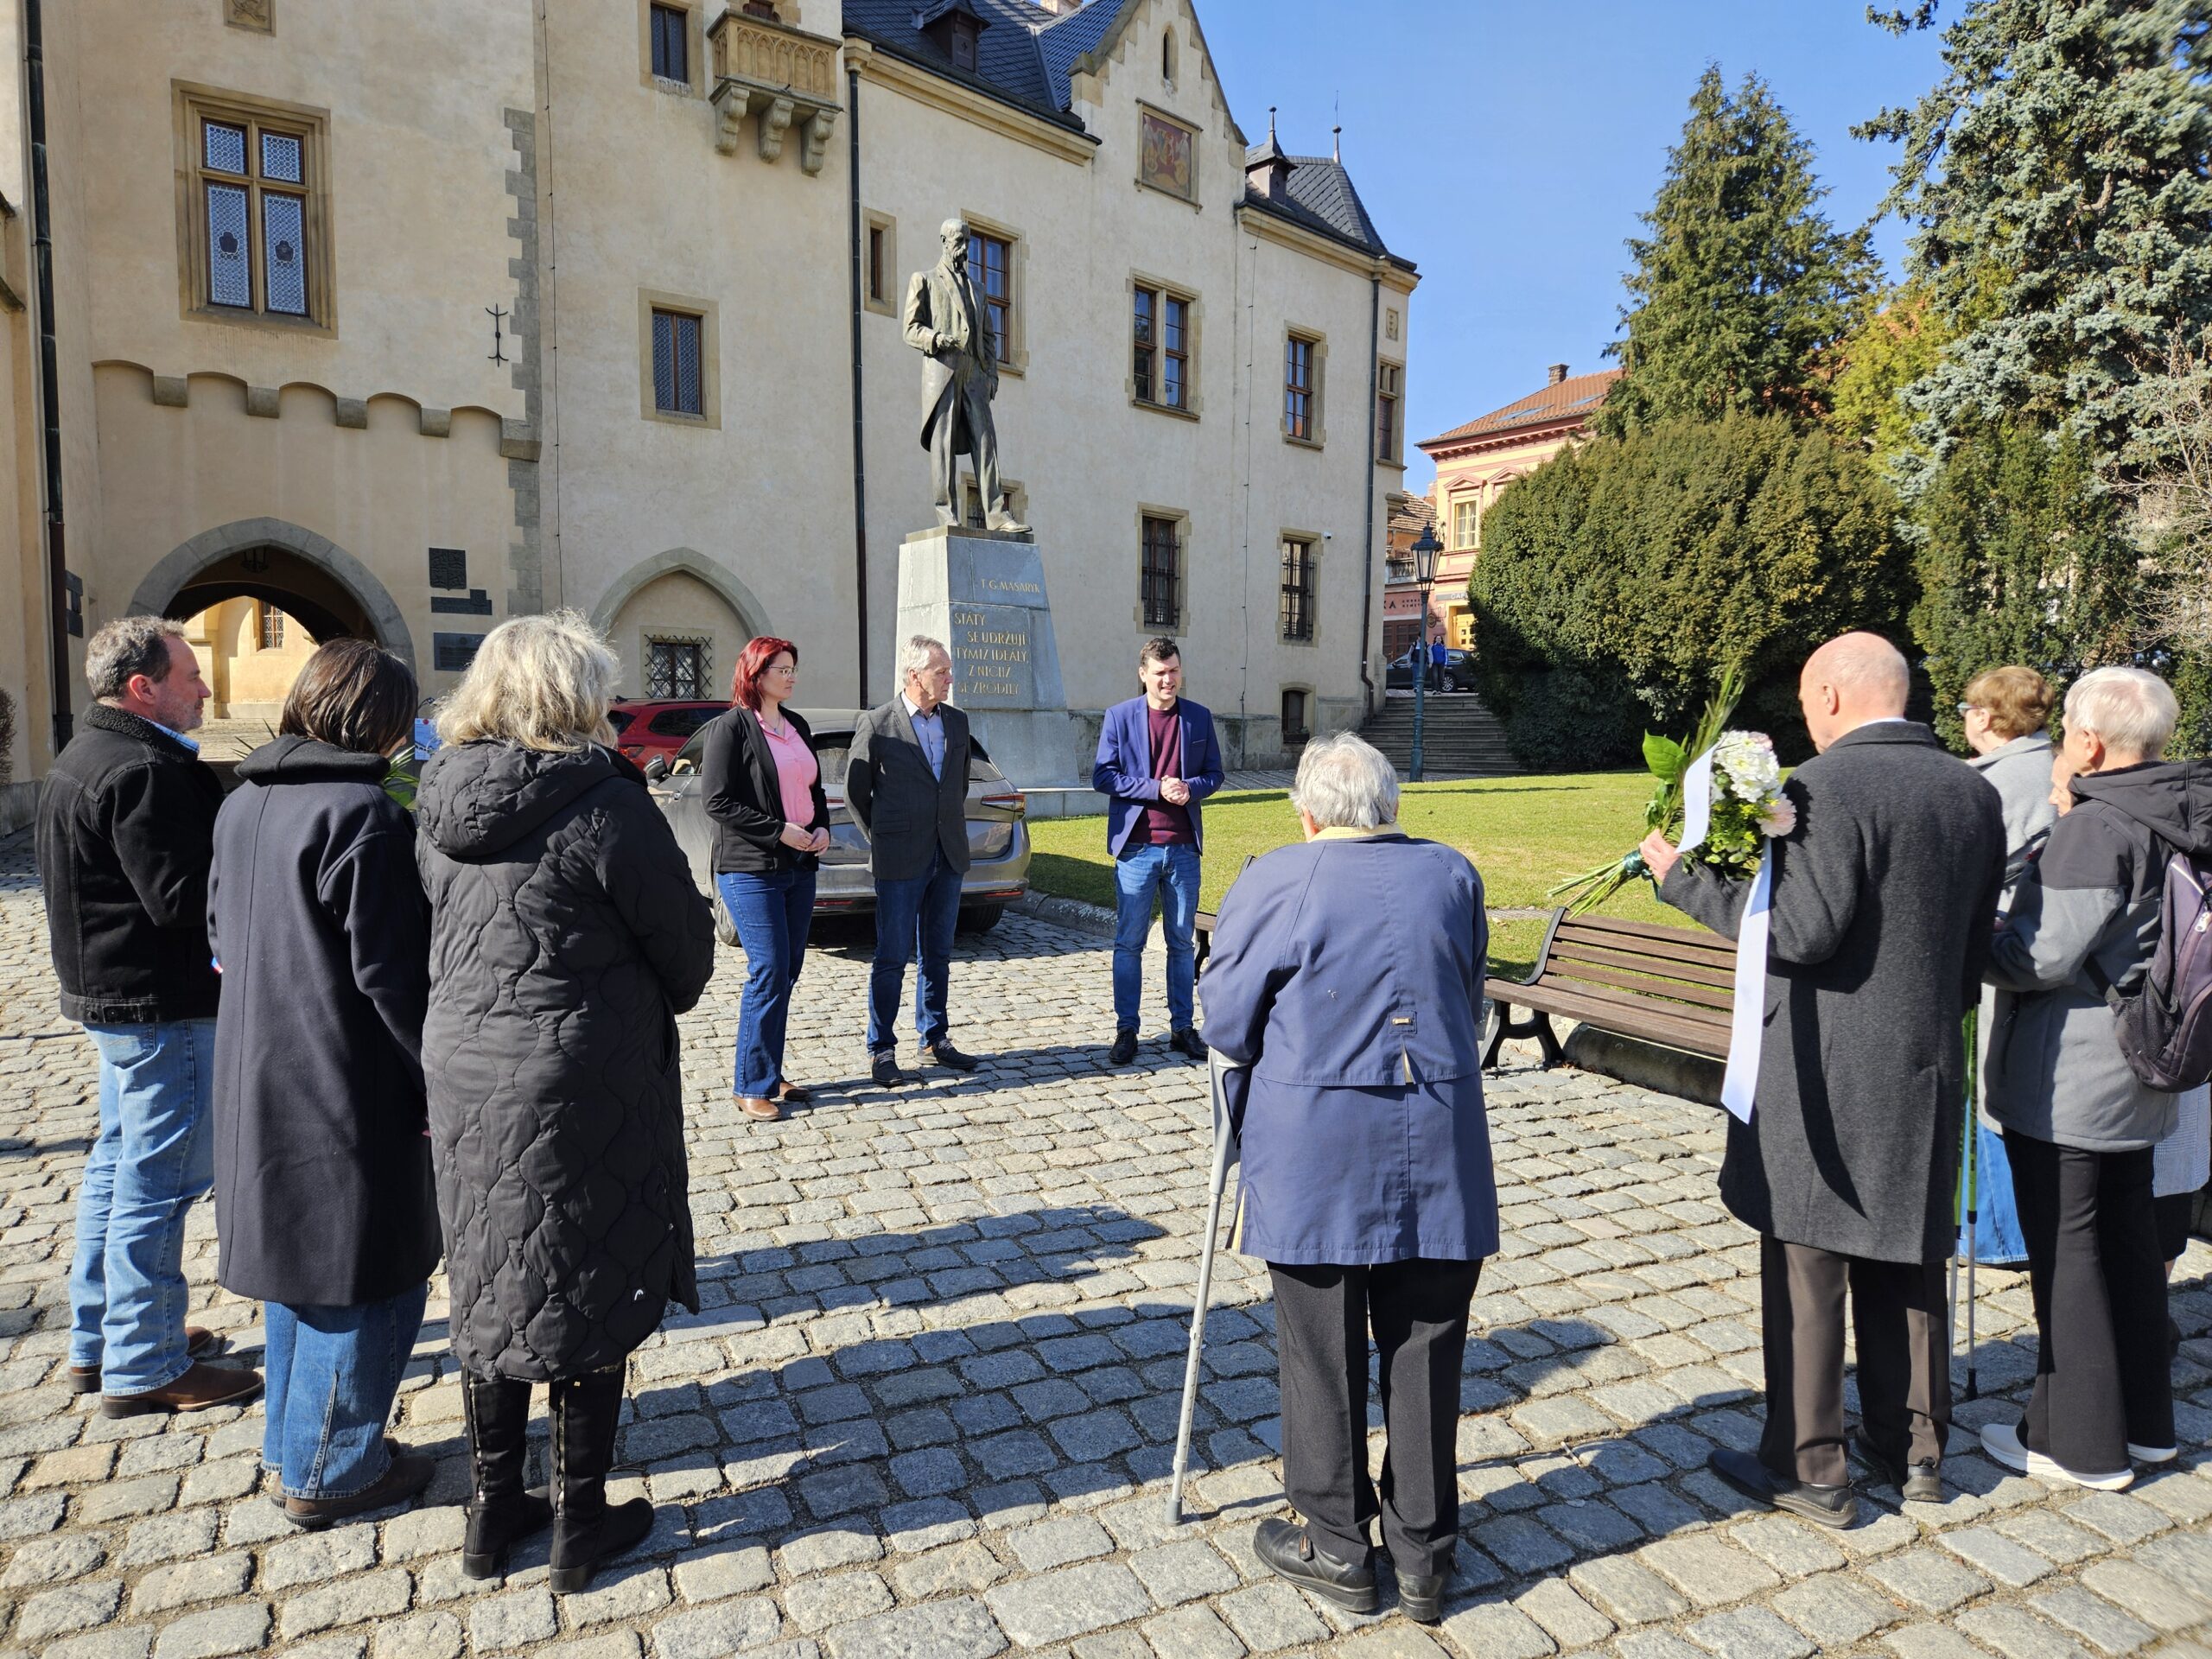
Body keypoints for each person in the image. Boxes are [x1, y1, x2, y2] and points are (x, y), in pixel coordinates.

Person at [1643, 633, 2005, 1520]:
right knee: (1908, 1264)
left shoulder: (1821, 787)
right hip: (1923, 1058)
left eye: (1808, 701)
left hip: (1821, 1062)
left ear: (1832, 697)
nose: (1806, 717)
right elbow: (1974, 944)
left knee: (1809, 1264)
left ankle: (1810, 1467)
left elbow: (1799, 933)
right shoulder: (1972, 790)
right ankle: (1915, 1450)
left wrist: (1682, 879)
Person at [416, 612, 715, 1592]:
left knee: (494, 1278)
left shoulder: (438, 794)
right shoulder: (607, 804)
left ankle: (493, 1509)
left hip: (465, 1067)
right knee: (585, 1283)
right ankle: (576, 1522)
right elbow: (684, 958)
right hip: (577, 1075)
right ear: (574, 698)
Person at [1199, 734, 1497, 1627]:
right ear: (1390, 805)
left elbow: (1223, 1014)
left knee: (1321, 1351)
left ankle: (1335, 1543)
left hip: (1318, 1150)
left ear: (1307, 810)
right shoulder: (1451, 874)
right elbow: (1470, 988)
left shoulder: (1275, 877)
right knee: (1425, 1349)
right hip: (1434, 1143)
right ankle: (1422, 1555)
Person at [207, 640, 440, 1528]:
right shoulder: (364, 817)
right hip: (345, 1079)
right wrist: (436, 1080)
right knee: (364, 1273)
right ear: (381, 720)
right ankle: (333, 1467)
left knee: (302, 1273)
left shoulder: (243, 804)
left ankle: (289, 1443)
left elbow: (220, 938)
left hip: (260, 1066)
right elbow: (393, 979)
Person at [1980, 666, 2209, 1489]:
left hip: (2075, 1076)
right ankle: (2146, 1428)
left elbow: (2037, 957)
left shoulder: (2097, 825)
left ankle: (2079, 1443)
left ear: (2088, 740)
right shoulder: (2181, 809)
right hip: (2149, 1067)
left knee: (2068, 1258)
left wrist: (1978, 934)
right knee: (2125, 1246)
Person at [35, 615, 262, 1417]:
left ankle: (101, 1341)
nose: (204, 688)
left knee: (118, 1167)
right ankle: (146, 1362)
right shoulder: (142, 769)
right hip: (160, 1002)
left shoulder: (89, 753)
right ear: (143, 688)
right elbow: (182, 901)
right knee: (157, 1184)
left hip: (117, 998)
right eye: (189, 674)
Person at [699, 636, 831, 1123]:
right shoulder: (730, 727)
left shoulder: (796, 724)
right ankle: (750, 1084)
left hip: (799, 868)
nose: (791, 676)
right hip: (750, 869)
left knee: (788, 971)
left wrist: (820, 828)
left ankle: (771, 1072)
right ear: (756, 673)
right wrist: (780, 832)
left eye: (794, 667)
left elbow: (813, 789)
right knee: (770, 970)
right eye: (782, 668)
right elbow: (717, 801)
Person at [845, 635, 982, 1087]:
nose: (949, 678)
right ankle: (881, 1048)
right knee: (890, 956)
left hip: (948, 853)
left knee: (939, 952)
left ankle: (934, 1036)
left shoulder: (957, 723)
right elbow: (855, 792)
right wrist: (883, 839)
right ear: (914, 675)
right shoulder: (878, 723)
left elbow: (956, 785)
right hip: (900, 858)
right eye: (940, 671)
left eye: (948, 670)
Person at [1960, 664, 2063, 1268]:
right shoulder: (2048, 763)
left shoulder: (1996, 780)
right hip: (2030, 936)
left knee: (1987, 1087)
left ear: (1988, 716)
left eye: (1972, 708)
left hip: (1999, 941)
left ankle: (2000, 1235)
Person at [1091, 638, 1224, 1065]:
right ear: (1143, 674)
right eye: (1160, 672)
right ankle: (1126, 1030)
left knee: (1181, 944)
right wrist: (1155, 789)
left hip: (1184, 849)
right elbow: (1103, 776)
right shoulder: (1119, 717)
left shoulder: (1199, 718)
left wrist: (1191, 788)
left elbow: (1215, 774)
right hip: (1137, 848)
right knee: (1129, 943)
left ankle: (1182, 1028)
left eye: (1174, 671)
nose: (1169, 680)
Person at [904, 218, 1028, 533]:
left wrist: (992, 376)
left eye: (967, 242)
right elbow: (910, 328)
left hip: (974, 373)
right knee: (942, 444)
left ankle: (997, 514)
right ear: (944, 242)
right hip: (943, 371)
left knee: (986, 441)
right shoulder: (925, 280)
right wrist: (934, 339)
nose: (964, 248)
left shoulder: (978, 289)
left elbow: (988, 336)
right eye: (958, 241)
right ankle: (946, 513)